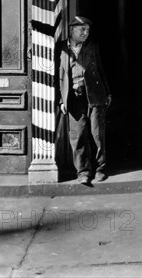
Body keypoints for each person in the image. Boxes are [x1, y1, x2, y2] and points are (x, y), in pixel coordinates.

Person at [55, 16, 112, 185]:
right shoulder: (60, 48)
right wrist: (61, 100)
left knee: (97, 135)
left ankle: (100, 169)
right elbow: (57, 77)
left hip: (94, 95)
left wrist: (107, 93)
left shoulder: (92, 47)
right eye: (82, 30)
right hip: (73, 98)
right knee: (77, 136)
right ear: (72, 30)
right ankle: (83, 172)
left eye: (88, 30)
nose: (86, 33)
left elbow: (101, 69)